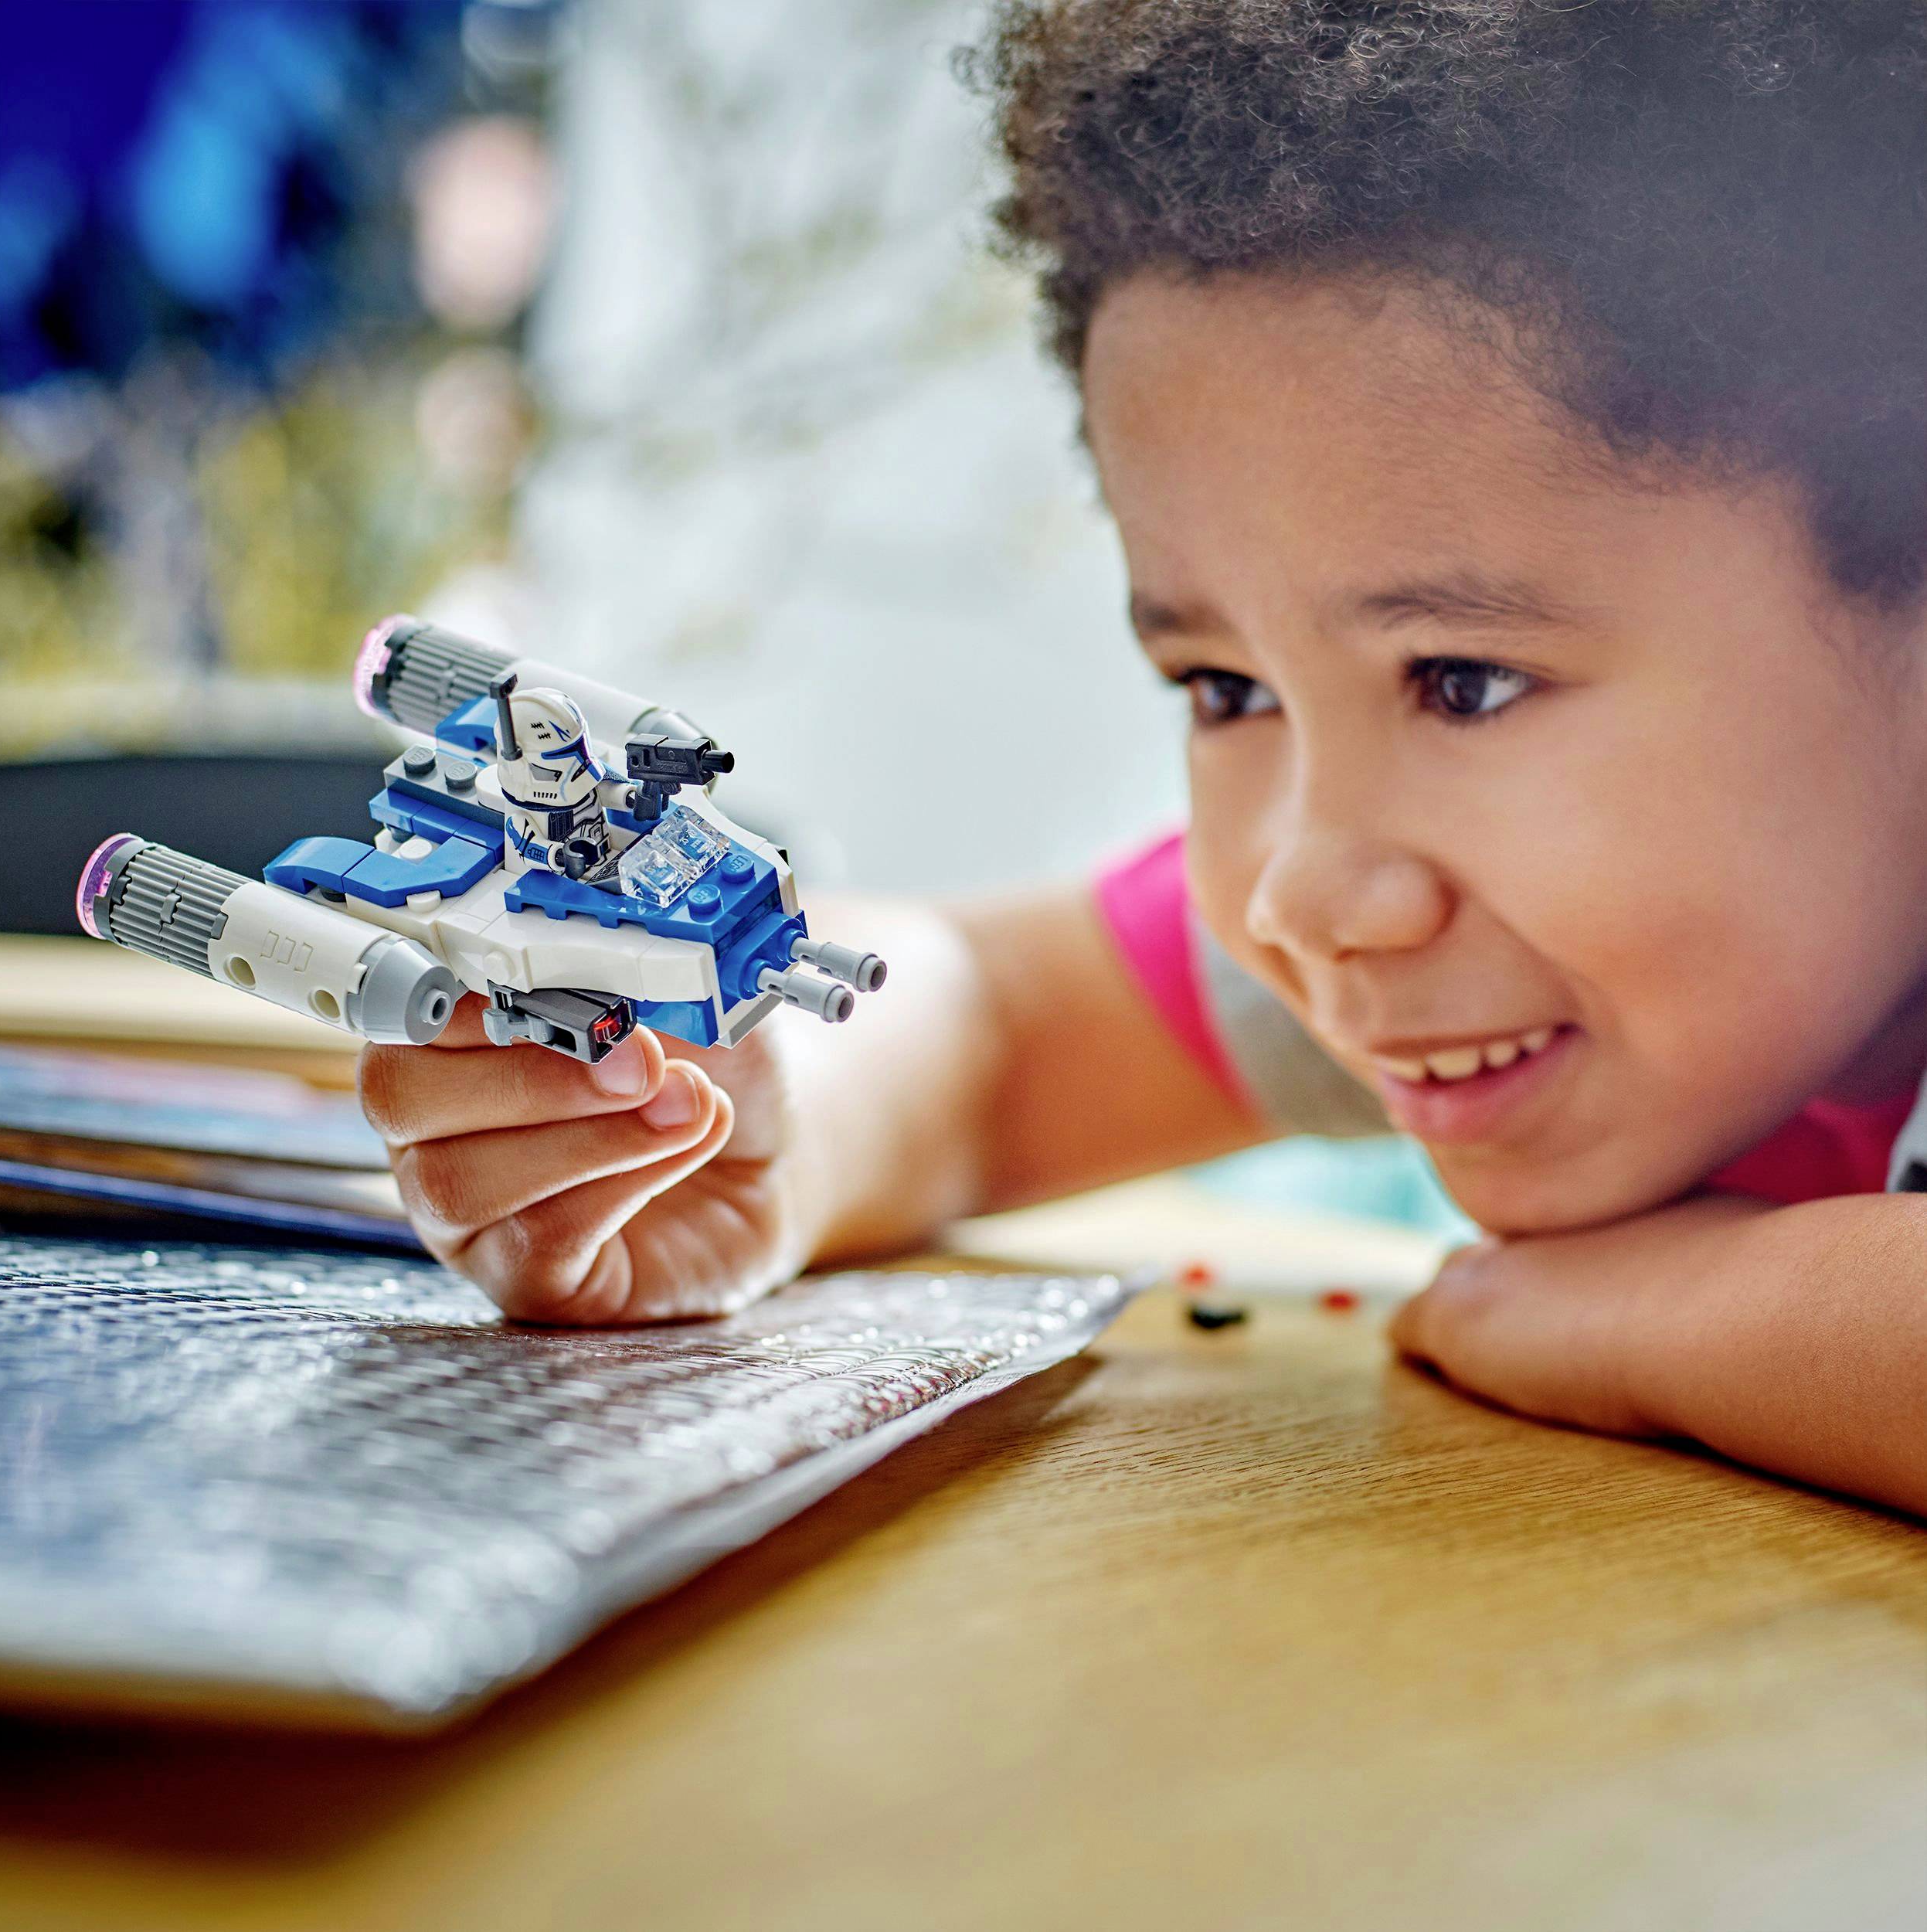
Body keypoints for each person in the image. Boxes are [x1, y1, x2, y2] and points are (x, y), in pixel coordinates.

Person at [357, 0, 1927, 1518]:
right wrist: (755, 1117)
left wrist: (1664, 1313)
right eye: (1225, 688)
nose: (1301, 895)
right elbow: (994, 1027)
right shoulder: (1466, 951)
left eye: (1461, 681)